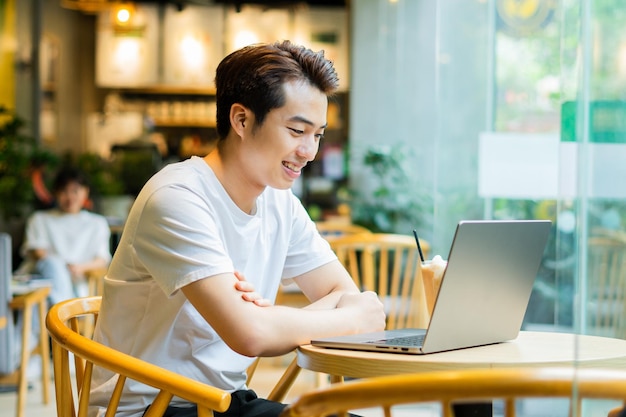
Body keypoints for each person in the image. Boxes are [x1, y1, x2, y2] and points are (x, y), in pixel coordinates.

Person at [89, 40, 386, 417]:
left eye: (318, 134)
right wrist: (338, 320)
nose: (310, 151)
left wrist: (269, 319)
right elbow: (251, 336)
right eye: (297, 130)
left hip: (225, 401)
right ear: (241, 120)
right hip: (151, 407)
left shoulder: (280, 203)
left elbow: (340, 292)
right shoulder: (176, 197)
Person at [18, 166, 112, 306]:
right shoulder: (39, 219)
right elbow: (39, 253)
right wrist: (63, 268)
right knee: (51, 265)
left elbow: (102, 259)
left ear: (86, 192)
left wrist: (79, 268)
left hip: (79, 288)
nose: (69, 197)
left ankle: (58, 316)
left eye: (75, 191)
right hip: (43, 285)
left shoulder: (97, 223)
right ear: (55, 193)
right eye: (64, 191)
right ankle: (62, 316)